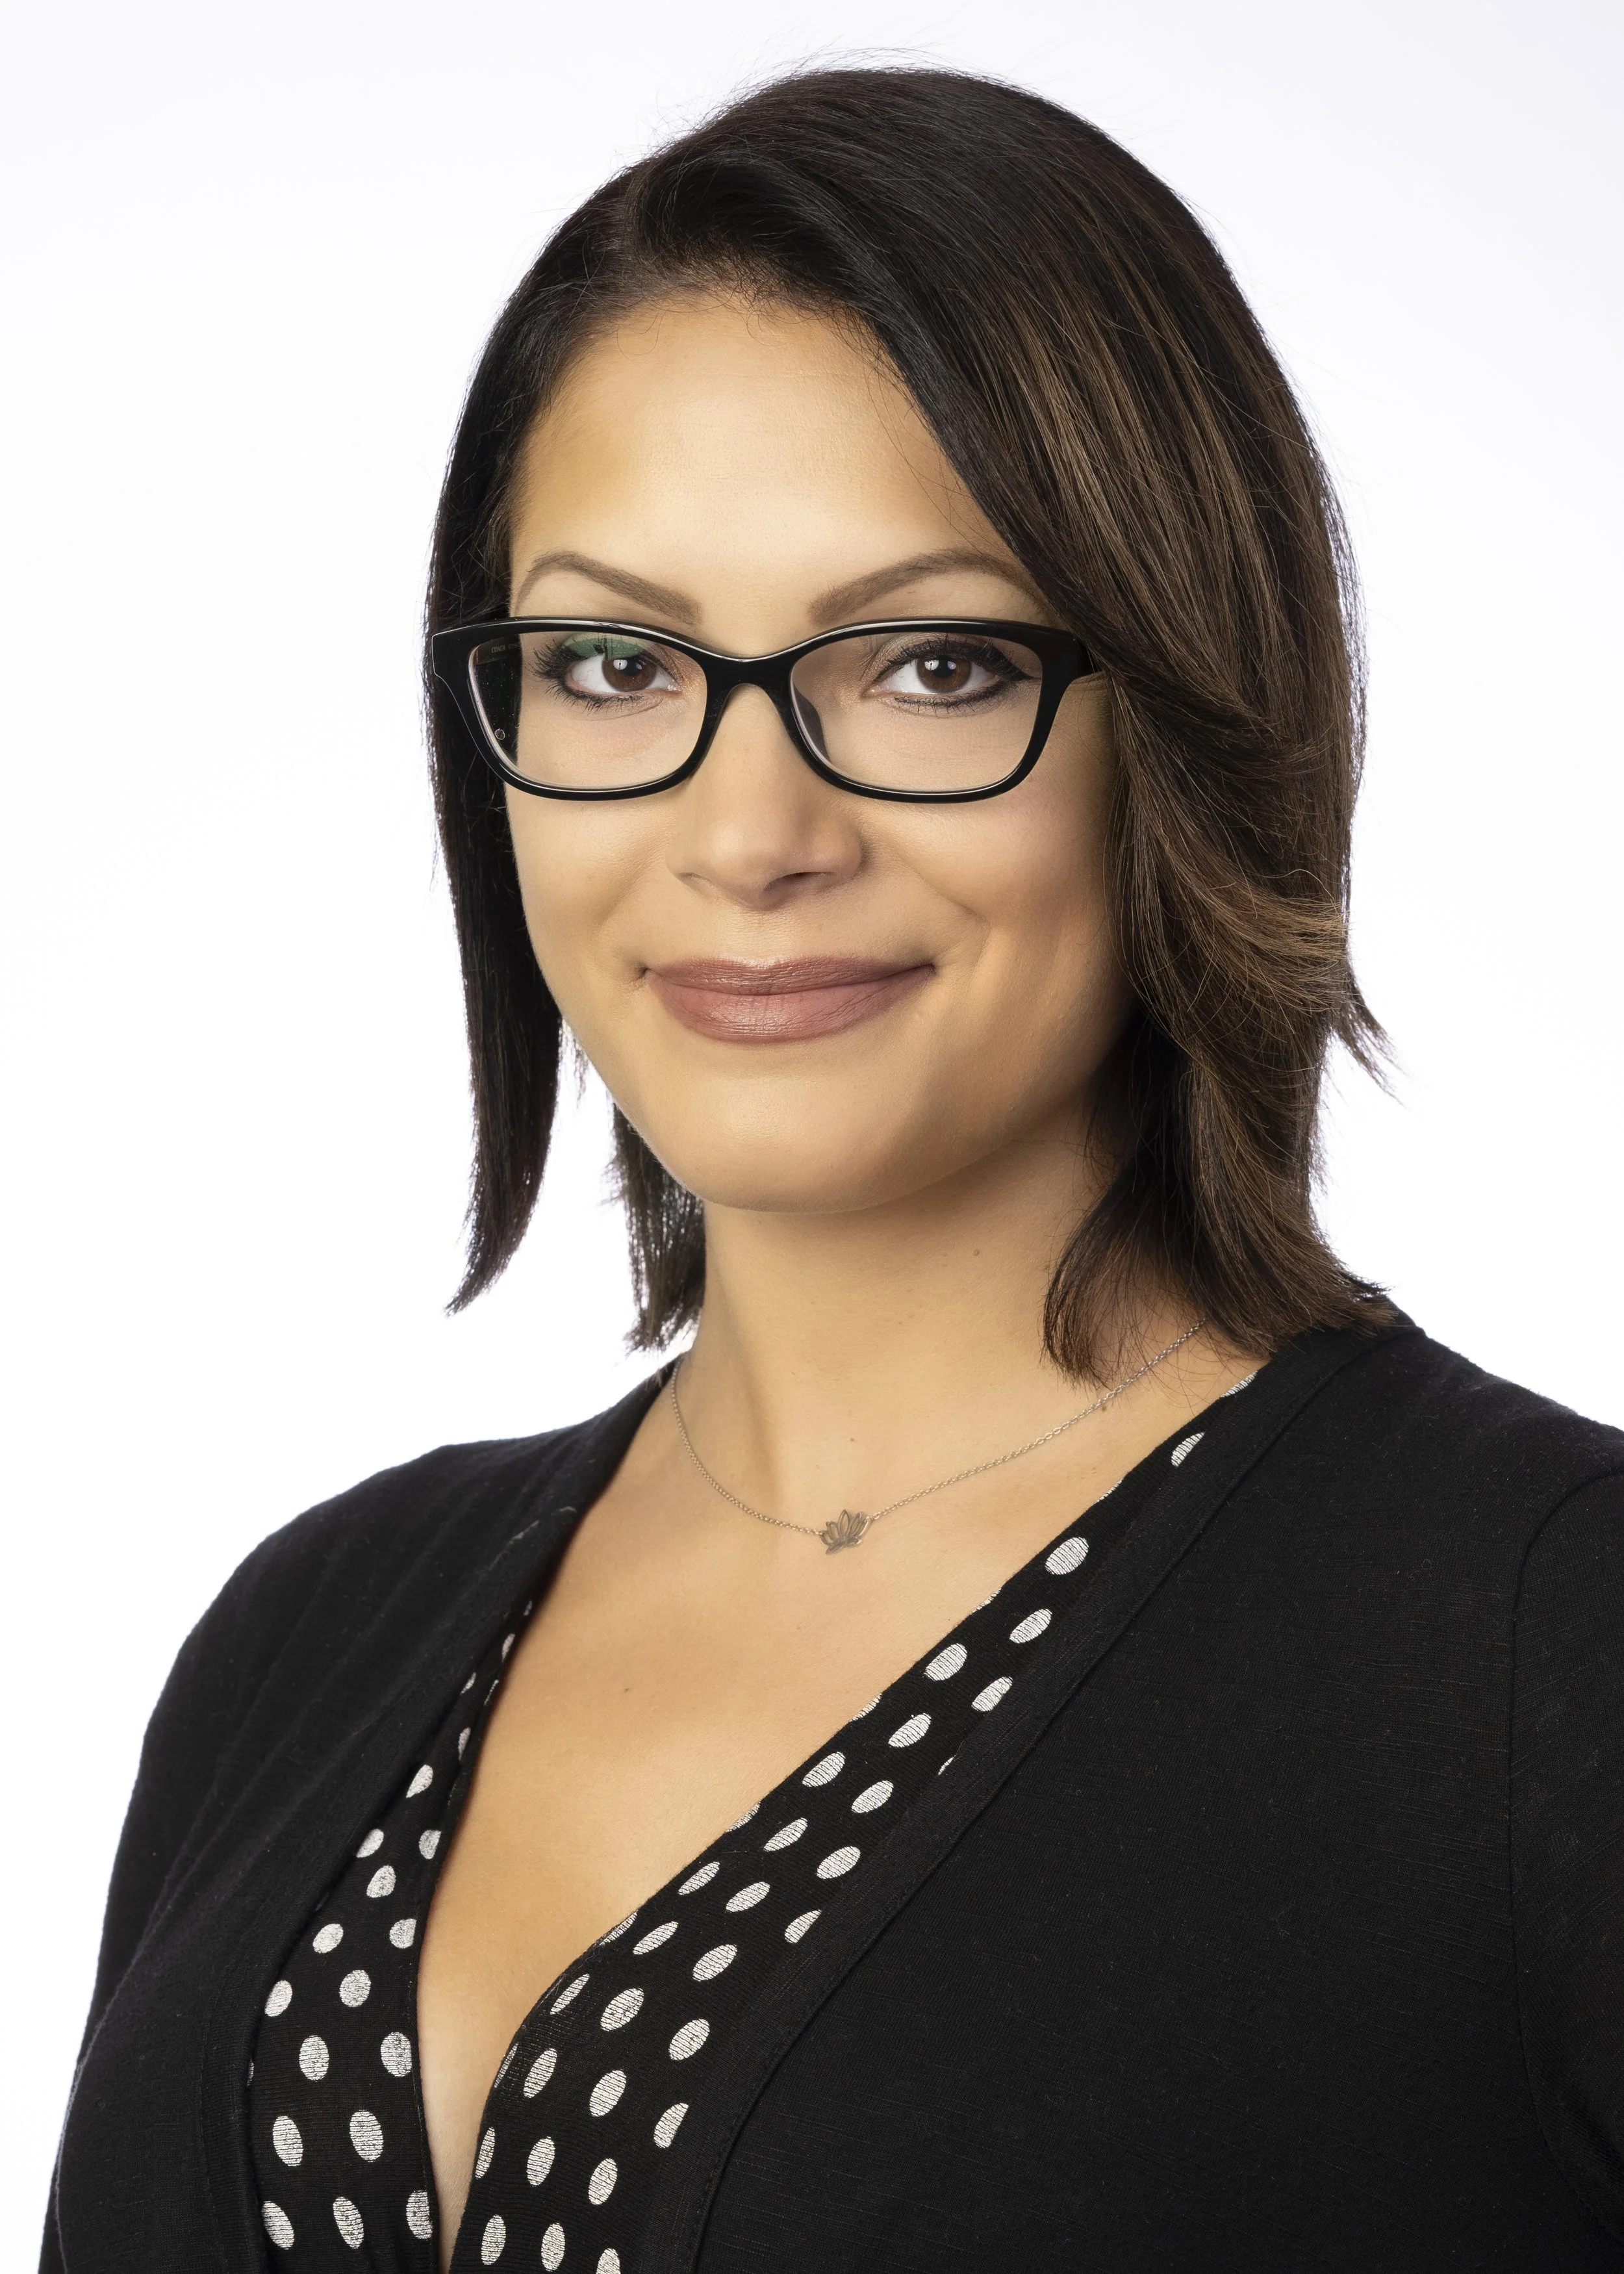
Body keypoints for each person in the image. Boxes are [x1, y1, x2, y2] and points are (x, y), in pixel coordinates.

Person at [42, 65, 1624, 2274]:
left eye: (927, 664)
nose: (750, 830)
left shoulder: (1545, 1647)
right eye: (613, 661)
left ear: (1180, 716)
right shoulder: (301, 1636)